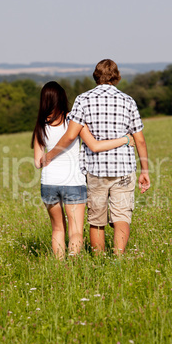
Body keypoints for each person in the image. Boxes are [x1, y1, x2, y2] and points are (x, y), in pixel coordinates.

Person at [43, 60, 150, 256]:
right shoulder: (128, 101)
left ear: (95, 76)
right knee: (122, 217)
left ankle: (98, 260)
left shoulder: (82, 100)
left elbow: (69, 135)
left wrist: (49, 156)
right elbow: (140, 140)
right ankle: (118, 261)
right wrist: (145, 170)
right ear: (116, 77)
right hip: (124, 169)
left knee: (96, 220)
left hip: (95, 170)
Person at [31, 81, 134, 259]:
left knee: (57, 229)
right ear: (63, 98)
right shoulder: (74, 119)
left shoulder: (40, 125)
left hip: (48, 183)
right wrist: (125, 139)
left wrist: (48, 155)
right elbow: (94, 145)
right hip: (73, 183)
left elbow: (38, 163)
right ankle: (72, 263)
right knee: (76, 231)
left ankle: (59, 266)